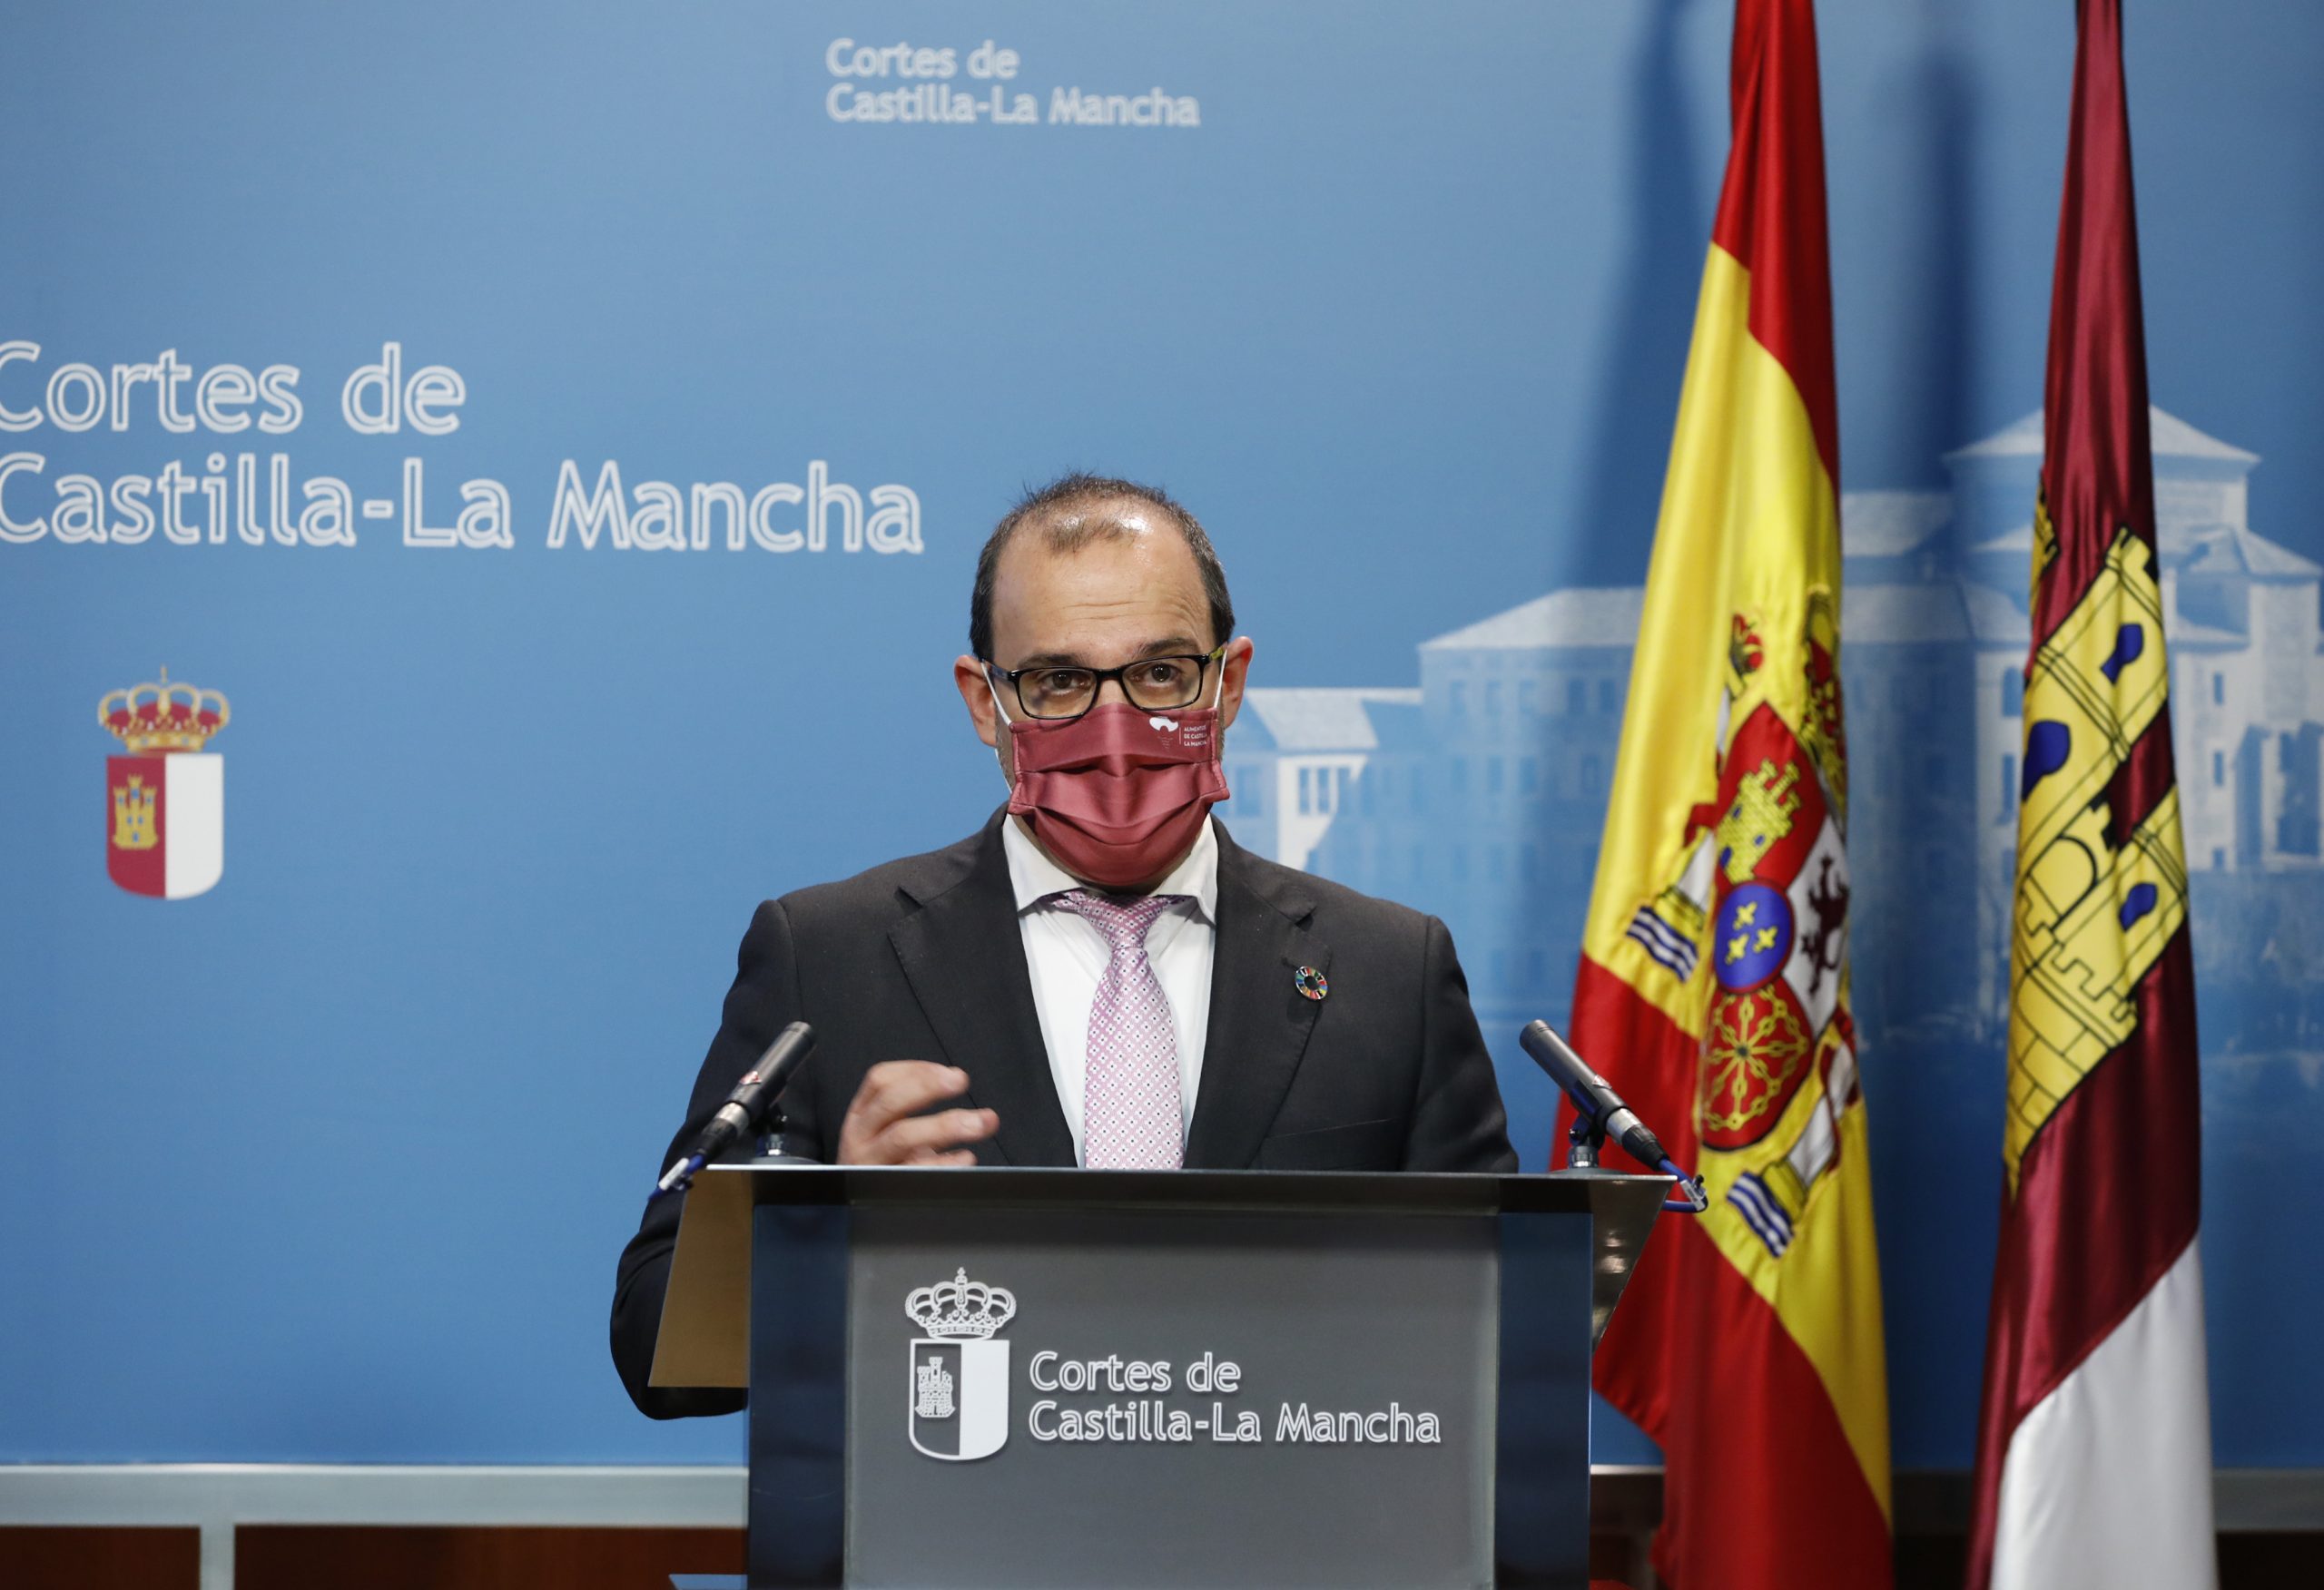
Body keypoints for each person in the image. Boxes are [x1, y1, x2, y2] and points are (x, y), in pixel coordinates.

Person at [612, 474, 1516, 1417]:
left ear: (1230, 682)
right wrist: (825, 1225)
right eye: (1058, 682)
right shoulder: (826, 954)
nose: (1115, 731)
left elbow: (1505, 1329)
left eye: (1161, 673)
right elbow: (655, 1347)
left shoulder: (1388, 969)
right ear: (983, 702)